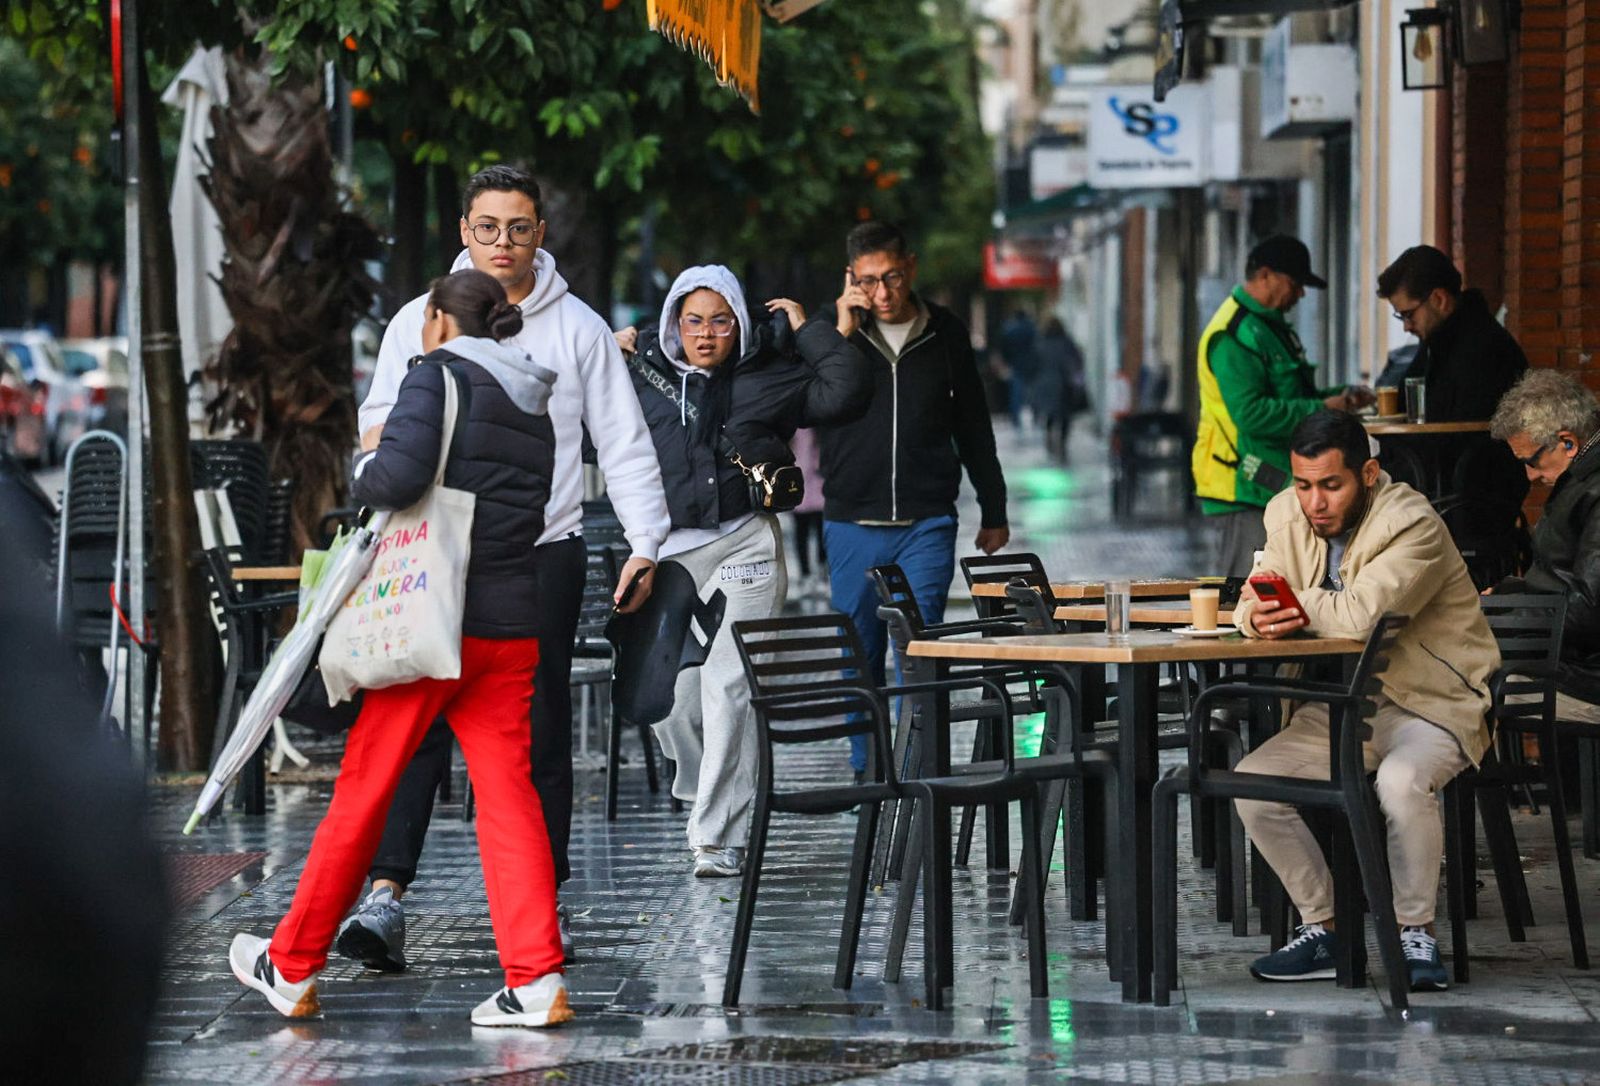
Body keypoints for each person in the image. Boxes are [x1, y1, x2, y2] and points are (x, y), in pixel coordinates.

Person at [341, 167, 670, 970]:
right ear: (463, 230)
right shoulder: (418, 323)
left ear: (540, 235)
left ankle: (537, 904)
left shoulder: (579, 330)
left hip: (538, 557)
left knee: (536, 731)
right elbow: (377, 427)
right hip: (430, 552)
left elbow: (623, 443)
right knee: (408, 719)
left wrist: (646, 543)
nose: (502, 244)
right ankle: (385, 897)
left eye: (517, 228)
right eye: (486, 228)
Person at [232, 270, 574, 1026]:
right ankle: (536, 976)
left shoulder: (436, 377)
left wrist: (363, 465)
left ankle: (289, 964)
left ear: (438, 321)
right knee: (509, 799)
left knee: (364, 789)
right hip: (509, 624)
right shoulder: (533, 399)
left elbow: (393, 478)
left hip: (428, 622)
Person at [1233, 409, 1499, 993]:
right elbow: (1251, 600)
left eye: (1332, 484)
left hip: (1432, 701)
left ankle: (1414, 934)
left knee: (1400, 784)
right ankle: (1324, 928)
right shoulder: (1285, 512)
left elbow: (1361, 617)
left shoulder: (1413, 522)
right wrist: (1258, 615)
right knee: (1252, 783)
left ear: (1369, 474)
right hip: (1347, 707)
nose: (1315, 502)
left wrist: (1287, 608)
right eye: (1304, 485)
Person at [616, 265, 869, 876]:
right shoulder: (639, 377)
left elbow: (845, 390)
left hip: (744, 543)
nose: (706, 334)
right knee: (669, 700)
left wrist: (807, 327)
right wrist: (612, 351)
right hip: (667, 550)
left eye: (721, 322)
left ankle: (715, 834)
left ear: (740, 325)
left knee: (727, 684)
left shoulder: (767, 377)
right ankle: (709, 788)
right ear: (675, 321)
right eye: (694, 320)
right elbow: (591, 437)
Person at [819, 221, 1010, 777]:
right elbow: (811, 402)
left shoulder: (945, 332)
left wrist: (993, 509)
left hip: (925, 520)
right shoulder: (834, 335)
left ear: (912, 268)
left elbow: (974, 424)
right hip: (852, 519)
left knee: (919, 650)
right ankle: (867, 769)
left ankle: (917, 769)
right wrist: (840, 332)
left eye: (893, 277)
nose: (883, 293)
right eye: (869, 281)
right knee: (859, 652)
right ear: (851, 279)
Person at [1191, 235, 1374, 577]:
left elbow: (1291, 396)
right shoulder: (1233, 334)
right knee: (1248, 589)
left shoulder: (1270, 328)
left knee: (1285, 585)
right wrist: (1321, 407)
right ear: (1265, 275)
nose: (1300, 295)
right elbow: (1252, 414)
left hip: (1270, 477)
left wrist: (1341, 398)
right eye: (1295, 284)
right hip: (1242, 478)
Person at [1489, 370, 1600, 696]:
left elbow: (1590, 609)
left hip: (1583, 666)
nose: (1530, 475)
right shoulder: (1580, 480)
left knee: (1454, 664)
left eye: (1533, 461)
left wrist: (1508, 616)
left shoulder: (1592, 489)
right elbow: (1565, 582)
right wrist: (1510, 595)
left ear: (1568, 442)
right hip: (1570, 651)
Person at [1377, 245, 1527, 423]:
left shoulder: (1483, 349)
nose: (1406, 327)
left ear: (1439, 299)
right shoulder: (1436, 340)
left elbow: (1458, 436)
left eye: (1409, 315)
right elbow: (1403, 406)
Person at [1032, 317, 1086, 463]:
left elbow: (1033, 364)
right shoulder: (1066, 343)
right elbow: (1077, 362)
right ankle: (1062, 442)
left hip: (1044, 385)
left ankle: (1049, 437)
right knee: (1064, 416)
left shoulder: (1040, 343)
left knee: (1050, 415)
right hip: (1063, 384)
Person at [997, 308, 1039, 429]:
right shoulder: (1031, 328)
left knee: (1016, 392)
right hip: (1031, 364)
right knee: (1032, 392)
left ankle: (1015, 418)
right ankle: (1035, 416)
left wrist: (1006, 361)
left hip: (1015, 364)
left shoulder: (1009, 329)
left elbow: (1003, 347)